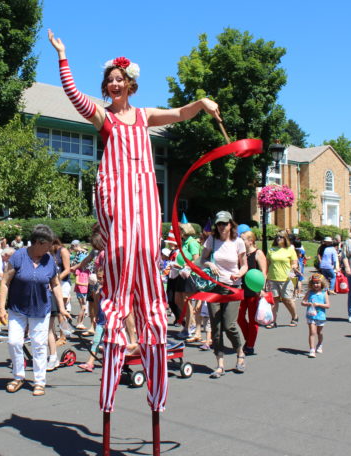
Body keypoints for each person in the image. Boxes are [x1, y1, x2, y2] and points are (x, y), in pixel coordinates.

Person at [49, 30, 222, 420]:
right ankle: (118, 327)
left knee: (145, 255)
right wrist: (63, 56)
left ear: (130, 84)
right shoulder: (104, 117)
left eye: (119, 79)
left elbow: (179, 114)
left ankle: (147, 330)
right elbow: (74, 96)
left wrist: (202, 102)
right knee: (121, 255)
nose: (113, 83)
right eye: (109, 79)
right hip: (116, 195)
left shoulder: (143, 117)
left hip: (143, 196)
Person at [0, 225, 69, 396]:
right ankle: (18, 376)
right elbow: (5, 282)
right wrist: (1, 308)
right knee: (14, 342)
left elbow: (56, 284)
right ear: (38, 243)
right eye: (48, 245)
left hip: (40, 309)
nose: (50, 249)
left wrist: (62, 308)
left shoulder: (49, 259)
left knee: (39, 345)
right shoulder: (19, 257)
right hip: (18, 308)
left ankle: (39, 381)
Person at [200, 211, 248, 378]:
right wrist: (208, 264)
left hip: (232, 287)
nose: (221, 227)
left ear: (230, 224)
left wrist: (239, 274)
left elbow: (244, 266)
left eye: (224, 224)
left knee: (229, 325)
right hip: (214, 287)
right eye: (219, 224)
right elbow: (202, 259)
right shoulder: (212, 240)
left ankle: (240, 351)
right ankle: (219, 364)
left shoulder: (238, 242)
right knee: (216, 327)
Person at [238, 231, 267, 355]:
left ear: (250, 241)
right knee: (239, 317)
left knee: (253, 319)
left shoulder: (258, 253)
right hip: (242, 289)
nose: (240, 241)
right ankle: (248, 339)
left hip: (254, 291)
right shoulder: (241, 254)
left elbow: (263, 272)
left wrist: (261, 288)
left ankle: (250, 345)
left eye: (243, 239)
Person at [172, 223, 202, 340]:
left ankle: (189, 327)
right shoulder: (184, 242)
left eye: (180, 231)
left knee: (186, 300)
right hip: (181, 273)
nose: (178, 233)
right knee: (177, 299)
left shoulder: (192, 242)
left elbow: (197, 259)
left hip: (189, 274)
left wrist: (186, 265)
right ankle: (191, 322)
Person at [266, 231, 300, 327]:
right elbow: (267, 263)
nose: (278, 239)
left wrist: (293, 267)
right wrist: (265, 276)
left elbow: (294, 262)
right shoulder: (272, 249)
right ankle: (273, 321)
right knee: (274, 300)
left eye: (281, 237)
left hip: (286, 279)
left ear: (285, 238)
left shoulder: (290, 249)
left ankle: (294, 316)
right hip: (273, 278)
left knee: (287, 299)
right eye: (277, 237)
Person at [302, 273, 330, 357]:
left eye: (318, 283)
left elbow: (328, 305)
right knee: (312, 332)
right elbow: (303, 302)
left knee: (319, 332)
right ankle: (312, 349)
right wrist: (307, 303)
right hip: (311, 316)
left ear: (322, 283)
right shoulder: (309, 292)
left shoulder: (324, 293)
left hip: (320, 316)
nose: (316, 285)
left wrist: (318, 304)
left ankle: (320, 344)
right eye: (314, 283)